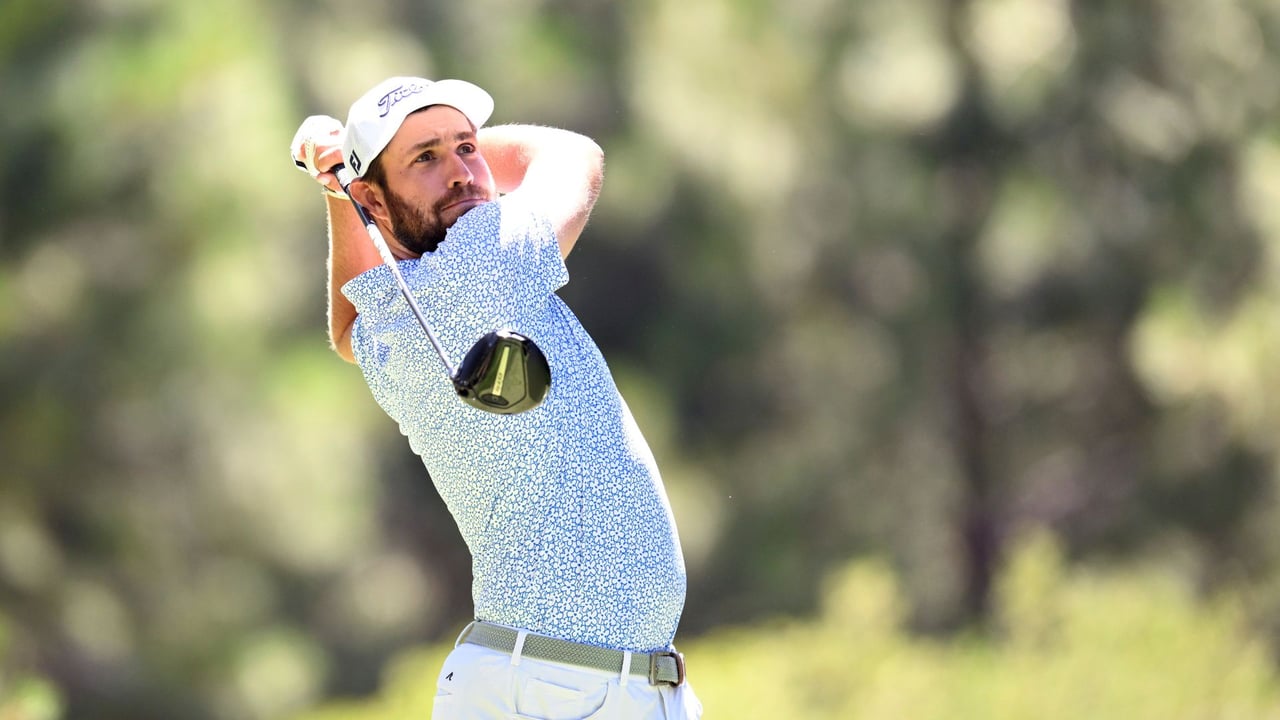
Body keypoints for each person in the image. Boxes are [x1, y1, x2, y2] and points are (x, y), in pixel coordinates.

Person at [290, 76, 702, 719]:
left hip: (570, 683)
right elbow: (573, 154)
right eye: (425, 158)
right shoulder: (488, 255)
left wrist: (344, 182)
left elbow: (346, 330)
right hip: (562, 690)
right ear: (374, 197)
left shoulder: (389, 324)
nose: (461, 172)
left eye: (466, 146)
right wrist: (346, 171)